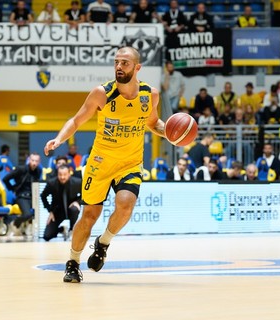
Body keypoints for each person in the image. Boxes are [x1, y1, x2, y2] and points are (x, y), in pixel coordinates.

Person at [43, 46, 166, 283]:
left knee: (125, 204)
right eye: (117, 62)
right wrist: (59, 139)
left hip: (130, 162)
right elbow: (77, 120)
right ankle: (72, 262)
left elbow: (153, 122)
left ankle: (103, 243)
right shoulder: (102, 93)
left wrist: (169, 132)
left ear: (137, 67)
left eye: (125, 63)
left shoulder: (150, 95)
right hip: (100, 163)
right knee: (89, 215)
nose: (119, 67)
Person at [2, 153, 41, 236]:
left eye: (36, 161)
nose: (34, 163)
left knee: (39, 212)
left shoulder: (38, 171)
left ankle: (27, 228)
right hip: (22, 196)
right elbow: (6, 179)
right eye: (33, 160)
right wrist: (13, 188)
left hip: (33, 197)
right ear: (29, 160)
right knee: (28, 214)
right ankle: (15, 223)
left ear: (39, 162)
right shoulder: (21, 169)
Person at [41, 165, 82, 241]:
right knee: (47, 236)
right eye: (60, 174)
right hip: (57, 211)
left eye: (65, 175)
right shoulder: (51, 183)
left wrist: (77, 202)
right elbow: (43, 196)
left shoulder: (77, 182)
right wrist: (50, 211)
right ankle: (62, 230)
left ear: (69, 174)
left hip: (71, 209)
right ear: (57, 174)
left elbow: (84, 194)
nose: (62, 177)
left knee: (74, 209)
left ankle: (71, 230)